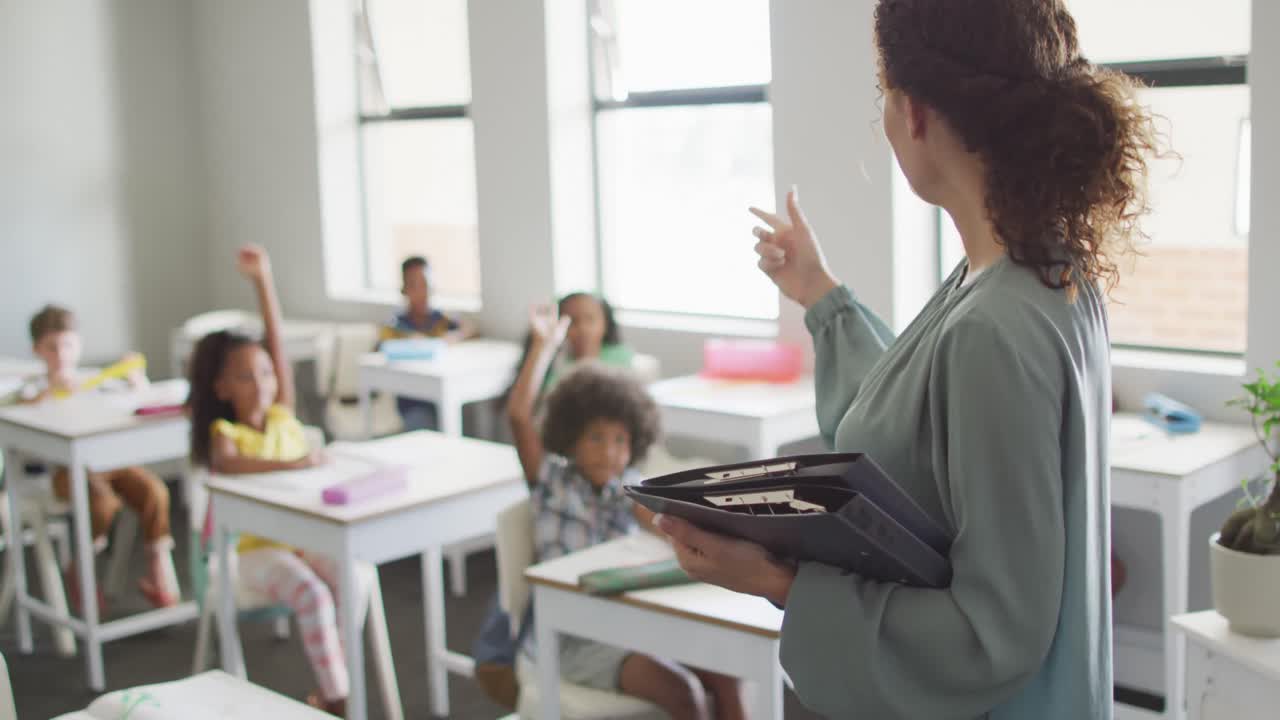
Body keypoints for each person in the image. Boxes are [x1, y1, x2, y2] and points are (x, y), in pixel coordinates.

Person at [657, 1, 1158, 718]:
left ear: (913, 112)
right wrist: (821, 296)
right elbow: (911, 426)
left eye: (882, 95)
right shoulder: (1031, 274)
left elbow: (991, 635)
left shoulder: (997, 324)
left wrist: (780, 582)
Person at [506, 306, 744, 720]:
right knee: (683, 693)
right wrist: (543, 347)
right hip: (573, 636)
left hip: (630, 618)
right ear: (570, 437)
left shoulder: (627, 486)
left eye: (620, 440)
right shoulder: (552, 481)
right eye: (595, 438)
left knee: (728, 674)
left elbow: (667, 527)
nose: (609, 451)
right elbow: (517, 416)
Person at [186, 245, 356, 717]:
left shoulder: (281, 417)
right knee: (314, 594)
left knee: (351, 578)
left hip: (298, 540)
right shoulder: (228, 435)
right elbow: (230, 465)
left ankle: (337, 681)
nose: (260, 382)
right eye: (244, 376)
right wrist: (293, 466)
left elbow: (276, 346)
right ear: (221, 389)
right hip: (249, 552)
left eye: (263, 373)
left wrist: (264, 282)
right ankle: (340, 699)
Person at [19, 305, 179, 610]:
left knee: (154, 492)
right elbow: (22, 415)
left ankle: (157, 572)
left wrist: (134, 380)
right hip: (64, 471)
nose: (61, 354)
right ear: (38, 350)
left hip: (109, 463)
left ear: (77, 344)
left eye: (67, 344)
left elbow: (138, 403)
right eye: (52, 347)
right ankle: (80, 569)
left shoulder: (93, 381)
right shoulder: (35, 389)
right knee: (102, 503)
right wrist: (49, 394)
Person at [381, 255, 476, 430]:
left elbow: (469, 329)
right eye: (414, 285)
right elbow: (382, 346)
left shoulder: (441, 319)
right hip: (412, 402)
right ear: (404, 289)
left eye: (426, 284)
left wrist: (450, 339)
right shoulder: (397, 324)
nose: (422, 291)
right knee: (422, 424)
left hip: (443, 399)